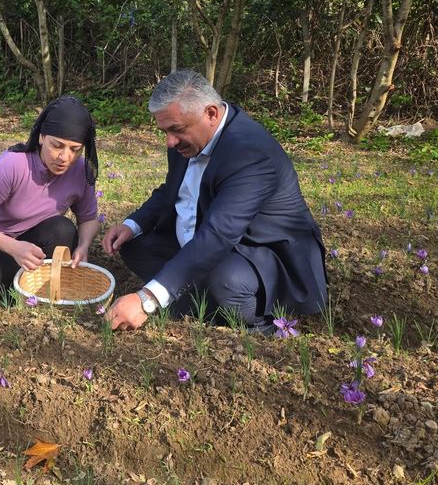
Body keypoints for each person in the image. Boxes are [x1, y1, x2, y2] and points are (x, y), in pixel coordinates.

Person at [103, 70, 327, 332]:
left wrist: (147, 300)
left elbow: (219, 234)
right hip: (205, 241)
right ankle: (193, 299)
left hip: (259, 254)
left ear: (210, 113)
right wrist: (133, 224)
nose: (170, 141)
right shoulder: (187, 141)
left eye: (176, 130)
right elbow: (172, 190)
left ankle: (260, 323)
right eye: (164, 131)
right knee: (134, 245)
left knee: (224, 279)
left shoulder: (250, 153)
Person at [0, 95, 100, 292]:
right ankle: (10, 282)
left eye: (75, 149)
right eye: (57, 145)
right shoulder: (13, 165)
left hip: (30, 239)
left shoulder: (80, 171)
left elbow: (89, 219)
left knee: (63, 229)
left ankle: (33, 283)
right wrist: (14, 248)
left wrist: (83, 246)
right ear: (42, 137)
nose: (64, 157)